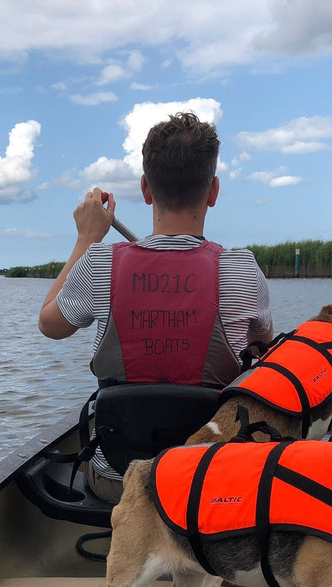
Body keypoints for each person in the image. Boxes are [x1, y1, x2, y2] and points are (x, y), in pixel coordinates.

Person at [38, 112, 275, 502]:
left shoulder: (100, 263)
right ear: (213, 191)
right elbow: (264, 346)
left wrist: (87, 239)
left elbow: (50, 324)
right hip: (208, 484)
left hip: (118, 480)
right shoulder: (242, 268)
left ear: (146, 189)